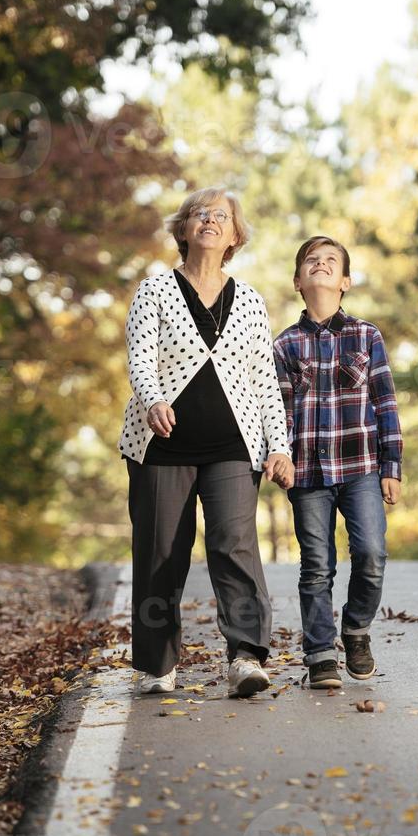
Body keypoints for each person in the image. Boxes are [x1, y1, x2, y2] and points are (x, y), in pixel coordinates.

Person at [118, 186, 295, 698]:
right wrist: (153, 400)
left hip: (233, 448)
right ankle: (156, 665)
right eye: (200, 213)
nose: (210, 220)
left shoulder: (251, 301)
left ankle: (246, 657)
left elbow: (264, 380)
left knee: (234, 546)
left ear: (235, 234)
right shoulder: (154, 290)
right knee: (160, 553)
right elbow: (140, 357)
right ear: (183, 228)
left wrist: (278, 446)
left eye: (222, 216)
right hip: (161, 445)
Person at [273, 236, 403, 689]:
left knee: (370, 554)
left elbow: (385, 402)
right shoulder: (285, 346)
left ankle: (356, 629)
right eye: (312, 261)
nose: (322, 265)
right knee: (316, 565)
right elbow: (280, 410)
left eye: (332, 262)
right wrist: (280, 455)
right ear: (298, 280)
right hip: (307, 474)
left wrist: (392, 466)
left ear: (345, 281)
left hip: (362, 467)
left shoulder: (366, 336)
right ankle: (321, 653)